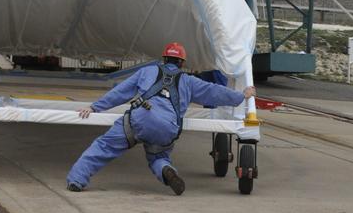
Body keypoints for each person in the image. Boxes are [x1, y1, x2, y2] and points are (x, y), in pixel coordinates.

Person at [66, 41, 255, 195]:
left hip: (139, 119)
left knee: (103, 147)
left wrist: (95, 106)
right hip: (167, 128)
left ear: (164, 59)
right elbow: (214, 92)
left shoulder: (146, 72)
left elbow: (121, 92)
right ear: (182, 62)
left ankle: (76, 181)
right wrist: (241, 96)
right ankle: (167, 170)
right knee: (158, 156)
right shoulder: (189, 81)